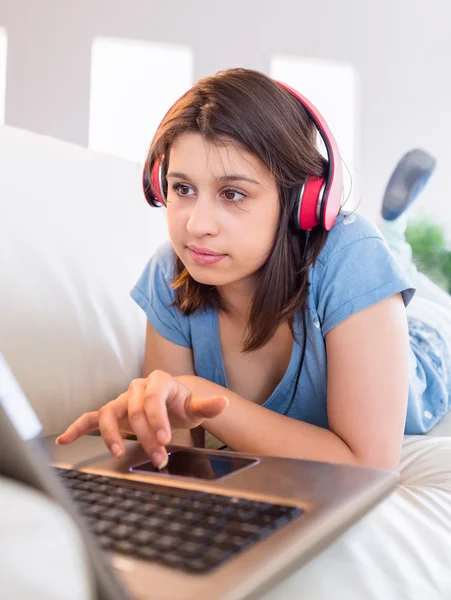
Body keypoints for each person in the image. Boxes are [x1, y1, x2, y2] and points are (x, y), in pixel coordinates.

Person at [55, 69, 450, 472]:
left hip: (426, 343)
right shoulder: (168, 273)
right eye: (183, 189)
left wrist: (200, 396)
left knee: (432, 298)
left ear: (299, 201)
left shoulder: (354, 257)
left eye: (233, 193)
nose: (196, 225)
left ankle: (393, 233)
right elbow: (177, 457)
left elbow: (368, 465)